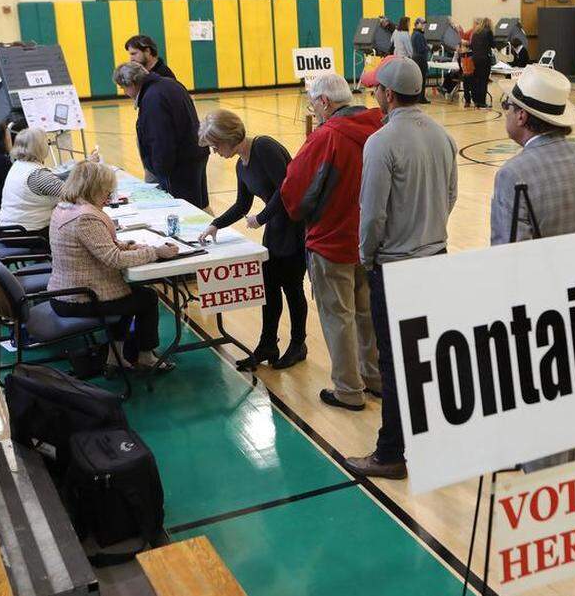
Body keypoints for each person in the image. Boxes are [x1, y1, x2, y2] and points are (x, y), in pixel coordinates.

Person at [491, 66, 575, 471]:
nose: (505, 113)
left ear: (523, 117)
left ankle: (544, 505)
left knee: (539, 424)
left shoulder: (514, 174)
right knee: (567, 418)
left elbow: (510, 261)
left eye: (507, 106)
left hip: (535, 320)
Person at [345, 57, 458, 480]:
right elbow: (450, 196)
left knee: (395, 364)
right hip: (435, 258)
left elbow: (372, 214)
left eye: (376, 90)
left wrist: (367, 256)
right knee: (430, 357)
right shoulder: (443, 136)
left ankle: (391, 452)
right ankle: (439, 443)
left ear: (387, 94)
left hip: (395, 265)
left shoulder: (381, 142)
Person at [280, 73, 384, 410]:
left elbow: (294, 195)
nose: (313, 108)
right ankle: (375, 378)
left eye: (313, 102)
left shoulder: (326, 137)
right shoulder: (379, 127)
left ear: (324, 102)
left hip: (331, 241)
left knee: (338, 317)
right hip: (370, 240)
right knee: (367, 314)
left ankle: (348, 390)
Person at [197, 109, 308, 371]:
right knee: (269, 290)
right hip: (275, 230)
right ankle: (267, 344)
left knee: (292, 289)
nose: (215, 152)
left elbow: (287, 188)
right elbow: (241, 204)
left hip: (293, 228)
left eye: (215, 145)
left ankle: (298, 344)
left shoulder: (264, 147)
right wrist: (216, 224)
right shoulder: (241, 164)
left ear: (227, 138)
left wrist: (261, 218)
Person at [48, 161, 179, 374]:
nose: (108, 196)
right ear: (94, 189)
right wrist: (155, 252)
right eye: (106, 191)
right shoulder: (86, 217)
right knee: (145, 298)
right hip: (79, 298)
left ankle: (115, 356)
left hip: (64, 293)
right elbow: (114, 259)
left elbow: (100, 246)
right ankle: (146, 356)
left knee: (127, 295)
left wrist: (131, 246)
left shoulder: (65, 208)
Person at [113, 62, 210, 211]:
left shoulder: (152, 98)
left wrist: (161, 171)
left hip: (178, 165)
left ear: (132, 84)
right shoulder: (170, 84)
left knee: (183, 211)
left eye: (123, 88)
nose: (125, 92)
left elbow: (160, 139)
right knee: (200, 206)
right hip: (196, 154)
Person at [0, 127, 67, 239]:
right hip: (30, 234)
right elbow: (73, 194)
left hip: (9, 230)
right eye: (47, 142)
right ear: (40, 147)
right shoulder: (38, 175)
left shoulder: (18, 165)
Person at [468, 17, 495, 108]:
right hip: (484, 59)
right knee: (483, 81)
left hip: (475, 59)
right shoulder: (488, 32)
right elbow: (493, 45)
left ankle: (476, 101)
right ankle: (482, 102)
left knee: (476, 80)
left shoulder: (475, 32)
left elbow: (471, 46)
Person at [410, 17, 431, 104]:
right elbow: (421, 48)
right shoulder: (418, 35)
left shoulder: (415, 34)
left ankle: (419, 97)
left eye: (424, 24)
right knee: (422, 79)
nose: (424, 26)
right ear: (417, 24)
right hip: (420, 59)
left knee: (419, 79)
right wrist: (429, 47)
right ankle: (421, 98)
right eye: (422, 24)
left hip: (416, 58)